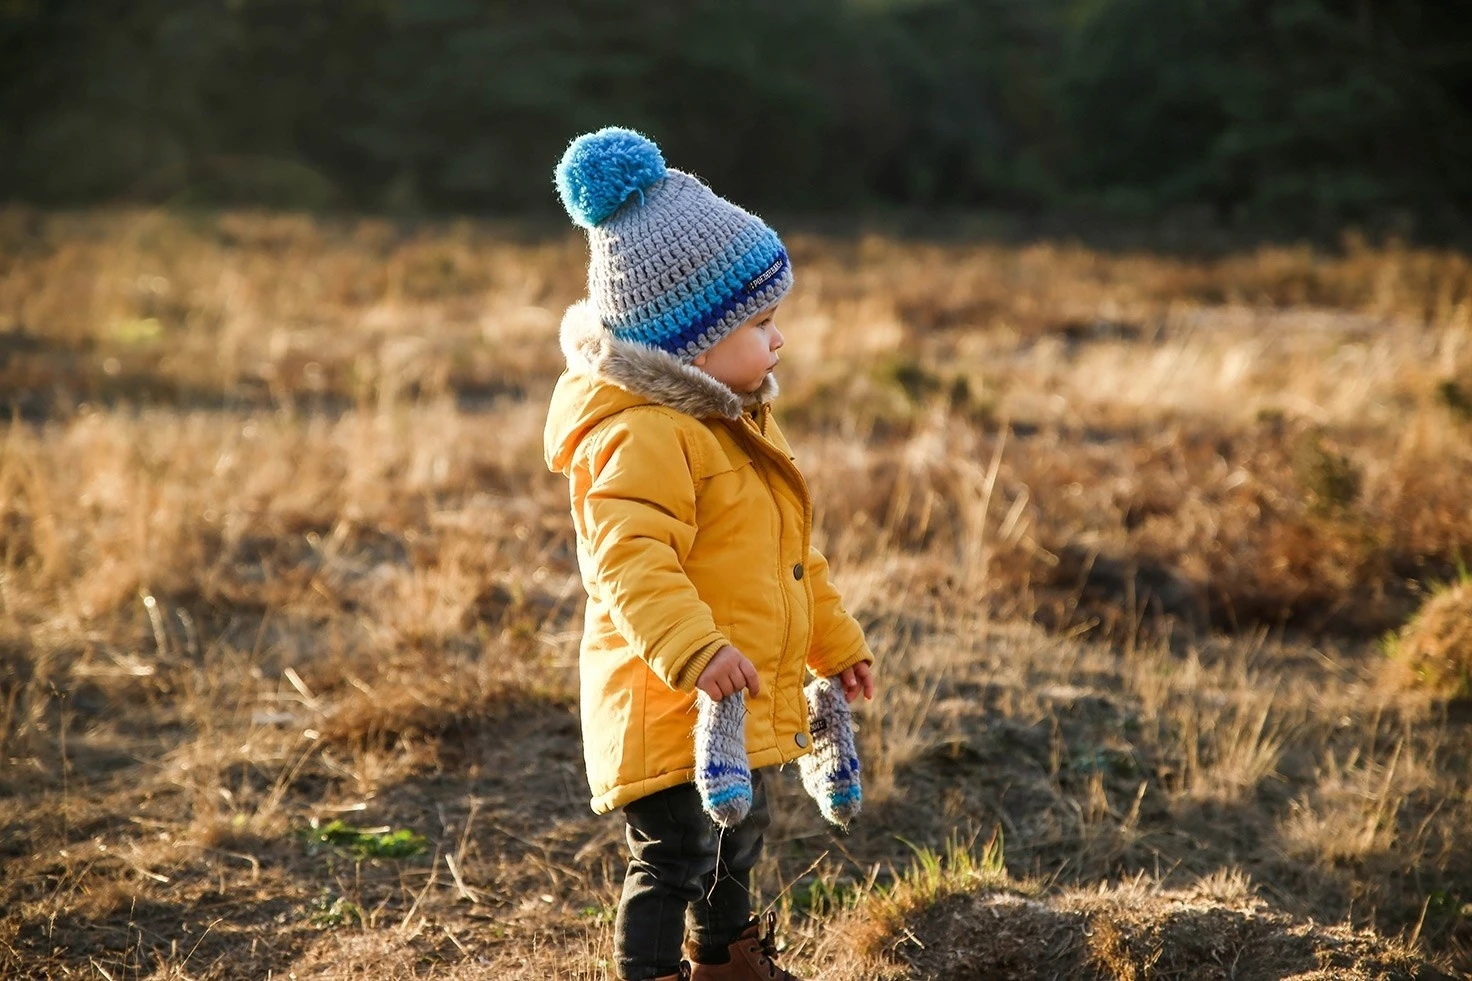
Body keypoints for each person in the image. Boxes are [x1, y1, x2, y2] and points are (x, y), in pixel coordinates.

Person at [543, 127, 876, 981]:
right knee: (675, 853)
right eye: (761, 323)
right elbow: (628, 562)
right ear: (691, 336)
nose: (779, 342)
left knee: (739, 839)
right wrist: (693, 649)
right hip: (669, 696)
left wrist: (833, 645)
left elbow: (792, 558)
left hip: (738, 695)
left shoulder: (737, 421)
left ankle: (726, 961)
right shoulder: (645, 436)